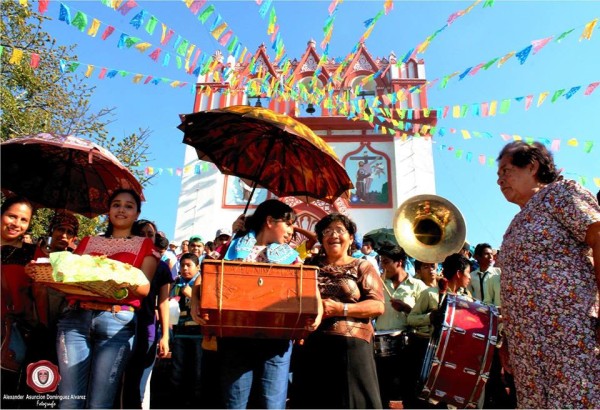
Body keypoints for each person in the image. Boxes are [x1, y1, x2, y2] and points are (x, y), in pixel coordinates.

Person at [496, 141, 600, 408]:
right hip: (528, 351)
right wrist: (508, 339)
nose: (500, 180)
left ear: (532, 166)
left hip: (570, 338)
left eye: (506, 171)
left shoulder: (561, 193)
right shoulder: (516, 223)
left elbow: (598, 236)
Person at [191, 199, 316, 409]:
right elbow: (203, 276)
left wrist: (317, 313)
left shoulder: (291, 256)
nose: (291, 231)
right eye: (288, 224)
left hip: (278, 338)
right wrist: (196, 303)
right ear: (269, 221)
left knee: (272, 404)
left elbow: (306, 284)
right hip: (235, 335)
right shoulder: (230, 247)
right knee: (235, 403)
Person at [55, 188, 158, 409]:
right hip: (75, 318)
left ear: (137, 214)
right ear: (108, 211)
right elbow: (69, 277)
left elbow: (143, 287)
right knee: (68, 400)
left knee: (100, 402)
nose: (122, 209)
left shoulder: (145, 245)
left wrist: (111, 280)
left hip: (116, 321)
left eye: (129, 206)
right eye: (116, 204)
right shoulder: (87, 242)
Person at [291, 213, 385, 409]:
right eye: (327, 231)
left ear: (351, 238)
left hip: (351, 347)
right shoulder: (309, 266)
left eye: (340, 230)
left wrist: (340, 309)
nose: (333, 235)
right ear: (321, 238)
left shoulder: (363, 266)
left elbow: (377, 306)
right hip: (312, 345)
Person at [121, 219, 173, 410]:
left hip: (147, 330)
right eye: (141, 234)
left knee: (138, 386)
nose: (146, 238)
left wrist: (165, 336)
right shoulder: (124, 261)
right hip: (121, 325)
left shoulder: (162, 266)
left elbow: (164, 302)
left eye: (150, 234)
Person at [374, 243, 427, 408]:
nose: (383, 266)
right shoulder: (378, 284)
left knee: (408, 391)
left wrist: (406, 308)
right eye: (381, 262)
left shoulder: (418, 286)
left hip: (408, 346)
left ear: (400, 262)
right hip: (381, 344)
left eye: (386, 261)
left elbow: (425, 317)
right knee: (381, 391)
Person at [1, 196, 40, 404]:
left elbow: (41, 302)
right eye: (11, 216)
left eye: (23, 220)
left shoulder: (33, 255)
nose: (16, 224)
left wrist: (37, 278)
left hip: (8, 339)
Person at [170, 252, 203, 408]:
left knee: (197, 373)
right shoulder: (176, 284)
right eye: (182, 265)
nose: (185, 268)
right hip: (180, 334)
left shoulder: (204, 284)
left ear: (197, 267)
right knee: (178, 373)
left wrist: (192, 295)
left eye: (189, 265)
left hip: (198, 336)